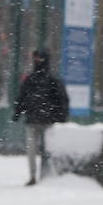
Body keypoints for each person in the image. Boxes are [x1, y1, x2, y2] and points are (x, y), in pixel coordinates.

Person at [11, 49, 69, 185]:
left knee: (43, 150)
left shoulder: (49, 80)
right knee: (36, 150)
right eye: (35, 58)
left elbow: (61, 100)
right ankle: (35, 175)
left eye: (39, 58)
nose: (37, 61)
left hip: (46, 121)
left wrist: (18, 112)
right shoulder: (34, 79)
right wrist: (17, 112)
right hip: (37, 120)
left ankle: (43, 175)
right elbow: (22, 98)